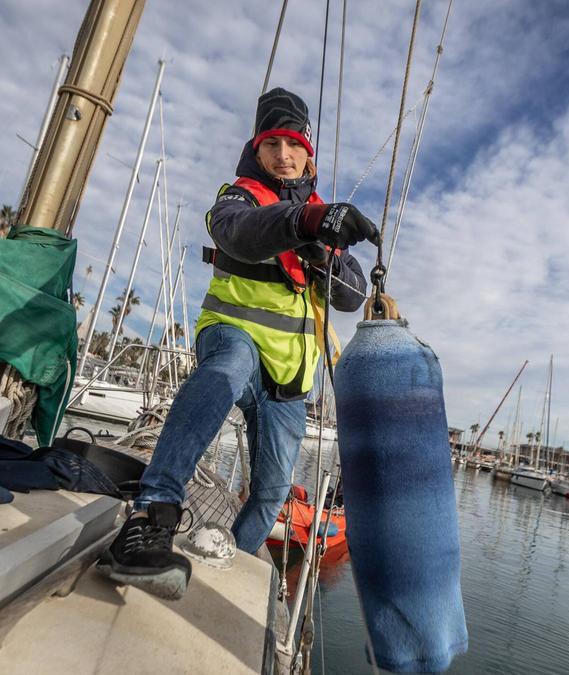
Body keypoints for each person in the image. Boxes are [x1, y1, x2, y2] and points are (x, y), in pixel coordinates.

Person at [98, 88, 379, 599]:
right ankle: (150, 520)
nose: (283, 155)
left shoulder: (323, 217)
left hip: (289, 381)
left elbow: (352, 297)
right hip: (234, 338)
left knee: (272, 491)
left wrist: (326, 254)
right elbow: (237, 234)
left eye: (294, 145)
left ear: (308, 153)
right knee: (224, 370)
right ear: (258, 148)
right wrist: (303, 223)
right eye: (272, 143)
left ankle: (232, 557)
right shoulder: (240, 196)